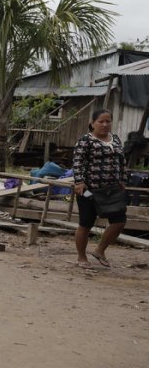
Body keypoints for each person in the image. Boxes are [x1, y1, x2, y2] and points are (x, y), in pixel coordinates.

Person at [72, 108, 127, 269]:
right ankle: (81, 257)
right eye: (100, 121)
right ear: (92, 123)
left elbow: (122, 161)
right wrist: (80, 182)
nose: (104, 124)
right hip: (88, 190)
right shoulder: (85, 141)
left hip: (112, 190)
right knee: (86, 222)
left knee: (119, 221)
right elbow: (77, 162)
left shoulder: (115, 139)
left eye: (108, 121)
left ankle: (100, 250)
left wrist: (123, 179)